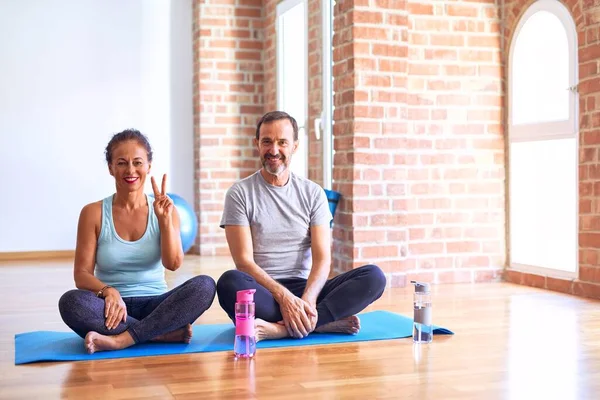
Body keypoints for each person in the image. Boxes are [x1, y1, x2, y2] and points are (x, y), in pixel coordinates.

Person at [216, 111, 387, 341]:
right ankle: (321, 323)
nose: (274, 150)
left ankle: (284, 329)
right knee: (229, 282)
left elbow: (322, 259)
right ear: (257, 144)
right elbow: (244, 262)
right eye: (266, 141)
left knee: (374, 277)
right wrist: (286, 299)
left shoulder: (313, 193)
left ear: (294, 146)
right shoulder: (239, 194)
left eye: (282, 142)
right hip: (264, 290)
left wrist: (307, 301)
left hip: (307, 289)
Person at [58, 129, 216, 354]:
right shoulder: (92, 213)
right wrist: (108, 290)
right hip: (111, 309)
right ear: (111, 168)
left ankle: (121, 340)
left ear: (149, 166)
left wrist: (164, 222)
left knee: (205, 286)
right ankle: (160, 333)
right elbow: (81, 274)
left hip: (157, 305)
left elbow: (173, 264)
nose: (130, 170)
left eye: (137, 162)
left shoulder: (166, 210)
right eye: (121, 163)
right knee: (71, 303)